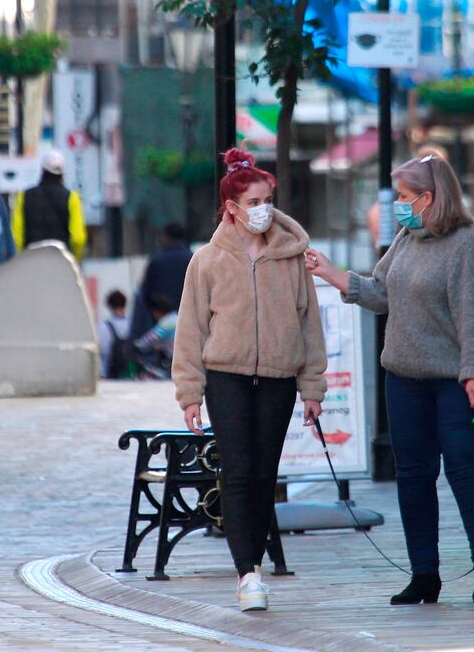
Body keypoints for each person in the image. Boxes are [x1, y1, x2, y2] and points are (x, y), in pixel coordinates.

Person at [305, 153, 474, 606]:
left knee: (465, 469)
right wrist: (329, 272)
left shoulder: (467, 245)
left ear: (428, 198)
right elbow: (381, 293)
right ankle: (424, 575)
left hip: (458, 380)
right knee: (413, 475)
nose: (397, 203)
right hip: (405, 377)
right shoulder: (407, 238)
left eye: (403, 195)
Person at [172, 148, 328, 612]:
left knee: (264, 476)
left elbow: (309, 324)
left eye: (268, 200)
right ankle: (248, 574)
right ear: (232, 208)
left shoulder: (292, 258)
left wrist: (313, 387)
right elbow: (190, 329)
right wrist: (189, 393)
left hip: (279, 378)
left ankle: (254, 563)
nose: (264, 210)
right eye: (254, 202)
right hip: (227, 377)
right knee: (238, 473)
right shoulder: (206, 261)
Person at [12, 150, 87, 259]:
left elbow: (17, 235)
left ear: (42, 170)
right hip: (61, 261)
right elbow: (78, 238)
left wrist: (21, 257)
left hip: (31, 260)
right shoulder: (72, 197)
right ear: (62, 173)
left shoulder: (23, 196)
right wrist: (74, 259)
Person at [131, 222, 194, 341]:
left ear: (166, 237)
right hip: (188, 320)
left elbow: (145, 293)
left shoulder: (156, 259)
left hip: (161, 321)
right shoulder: (192, 258)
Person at [134, 293, 177, 380]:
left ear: (157, 312)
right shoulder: (176, 317)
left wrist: (136, 345)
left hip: (172, 359)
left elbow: (150, 339)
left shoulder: (166, 323)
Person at [97, 290, 132, 379]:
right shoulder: (133, 324)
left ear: (110, 306)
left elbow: (103, 351)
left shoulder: (103, 326)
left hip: (110, 375)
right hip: (131, 375)